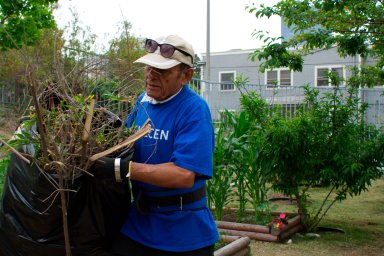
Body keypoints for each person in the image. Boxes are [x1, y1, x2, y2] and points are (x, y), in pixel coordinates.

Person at [106, 34, 219, 256]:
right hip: (140, 222)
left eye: (162, 71)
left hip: (183, 231)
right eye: (148, 68)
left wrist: (122, 169)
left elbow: (184, 174)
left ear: (186, 75)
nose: (151, 76)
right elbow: (125, 142)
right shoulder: (143, 101)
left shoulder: (194, 110)